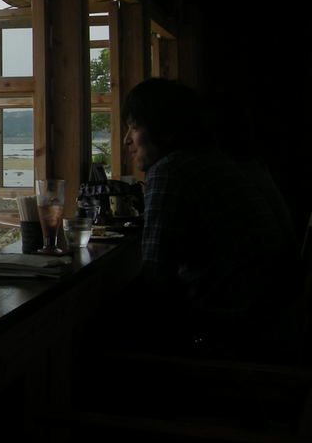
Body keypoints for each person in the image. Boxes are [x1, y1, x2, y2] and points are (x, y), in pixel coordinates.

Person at [121, 77, 303, 362]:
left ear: (166, 130)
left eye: (135, 127)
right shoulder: (216, 160)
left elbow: (156, 276)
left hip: (233, 335)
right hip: (275, 320)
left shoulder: (170, 169)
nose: (126, 140)